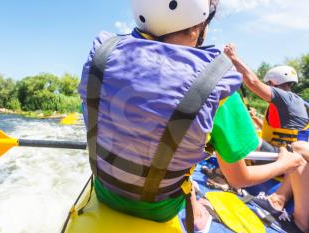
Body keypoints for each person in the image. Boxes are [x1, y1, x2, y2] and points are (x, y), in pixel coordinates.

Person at [78, 1, 304, 232]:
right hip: (159, 208)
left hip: (106, 191)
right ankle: (197, 212)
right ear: (198, 26)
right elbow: (238, 179)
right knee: (188, 178)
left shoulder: (102, 57)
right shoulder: (217, 82)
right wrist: (286, 162)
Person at [223, 44, 309, 233]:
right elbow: (277, 132)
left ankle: (229, 170)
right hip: (285, 152)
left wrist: (233, 58)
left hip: (286, 161)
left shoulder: (285, 97)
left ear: (272, 83)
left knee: (251, 142)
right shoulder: (294, 101)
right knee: (256, 139)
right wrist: (255, 118)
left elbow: (252, 82)